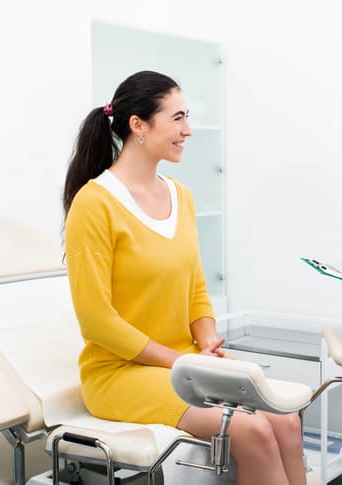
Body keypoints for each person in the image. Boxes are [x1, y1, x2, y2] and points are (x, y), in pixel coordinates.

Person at [62, 70, 305, 485]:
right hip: (119, 374)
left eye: (187, 117)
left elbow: (195, 286)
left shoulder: (181, 195)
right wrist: (184, 362)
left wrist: (207, 339)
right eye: (177, 118)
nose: (188, 130)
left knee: (285, 421)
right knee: (252, 431)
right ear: (138, 125)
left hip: (185, 361)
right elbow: (96, 321)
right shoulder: (95, 203)